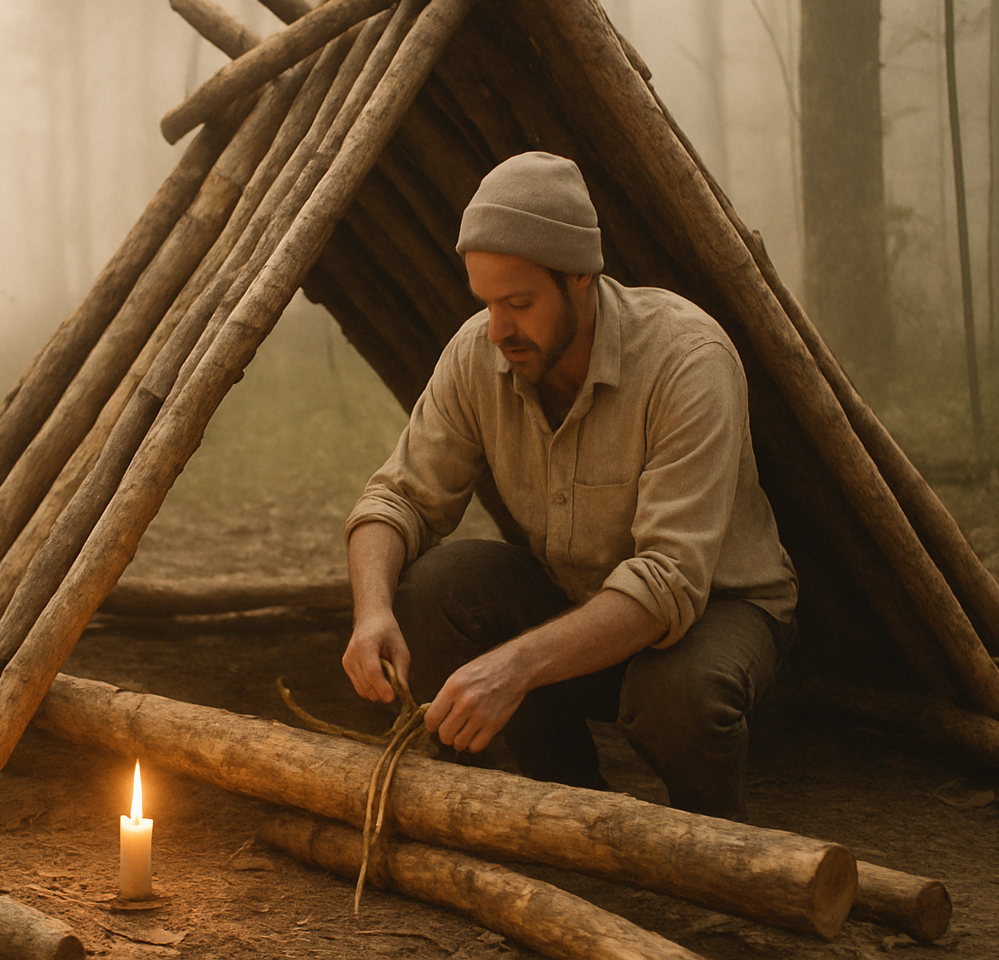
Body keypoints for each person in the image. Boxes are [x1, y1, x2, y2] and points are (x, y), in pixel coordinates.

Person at [341, 151, 798, 821]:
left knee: (679, 697)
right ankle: (569, 805)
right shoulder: (481, 352)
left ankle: (713, 851)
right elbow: (398, 499)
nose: (498, 330)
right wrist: (371, 610)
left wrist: (515, 667)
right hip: (580, 599)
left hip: (715, 612)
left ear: (582, 277)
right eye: (487, 303)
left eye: (519, 303)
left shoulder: (687, 360)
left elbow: (668, 581)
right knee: (430, 589)